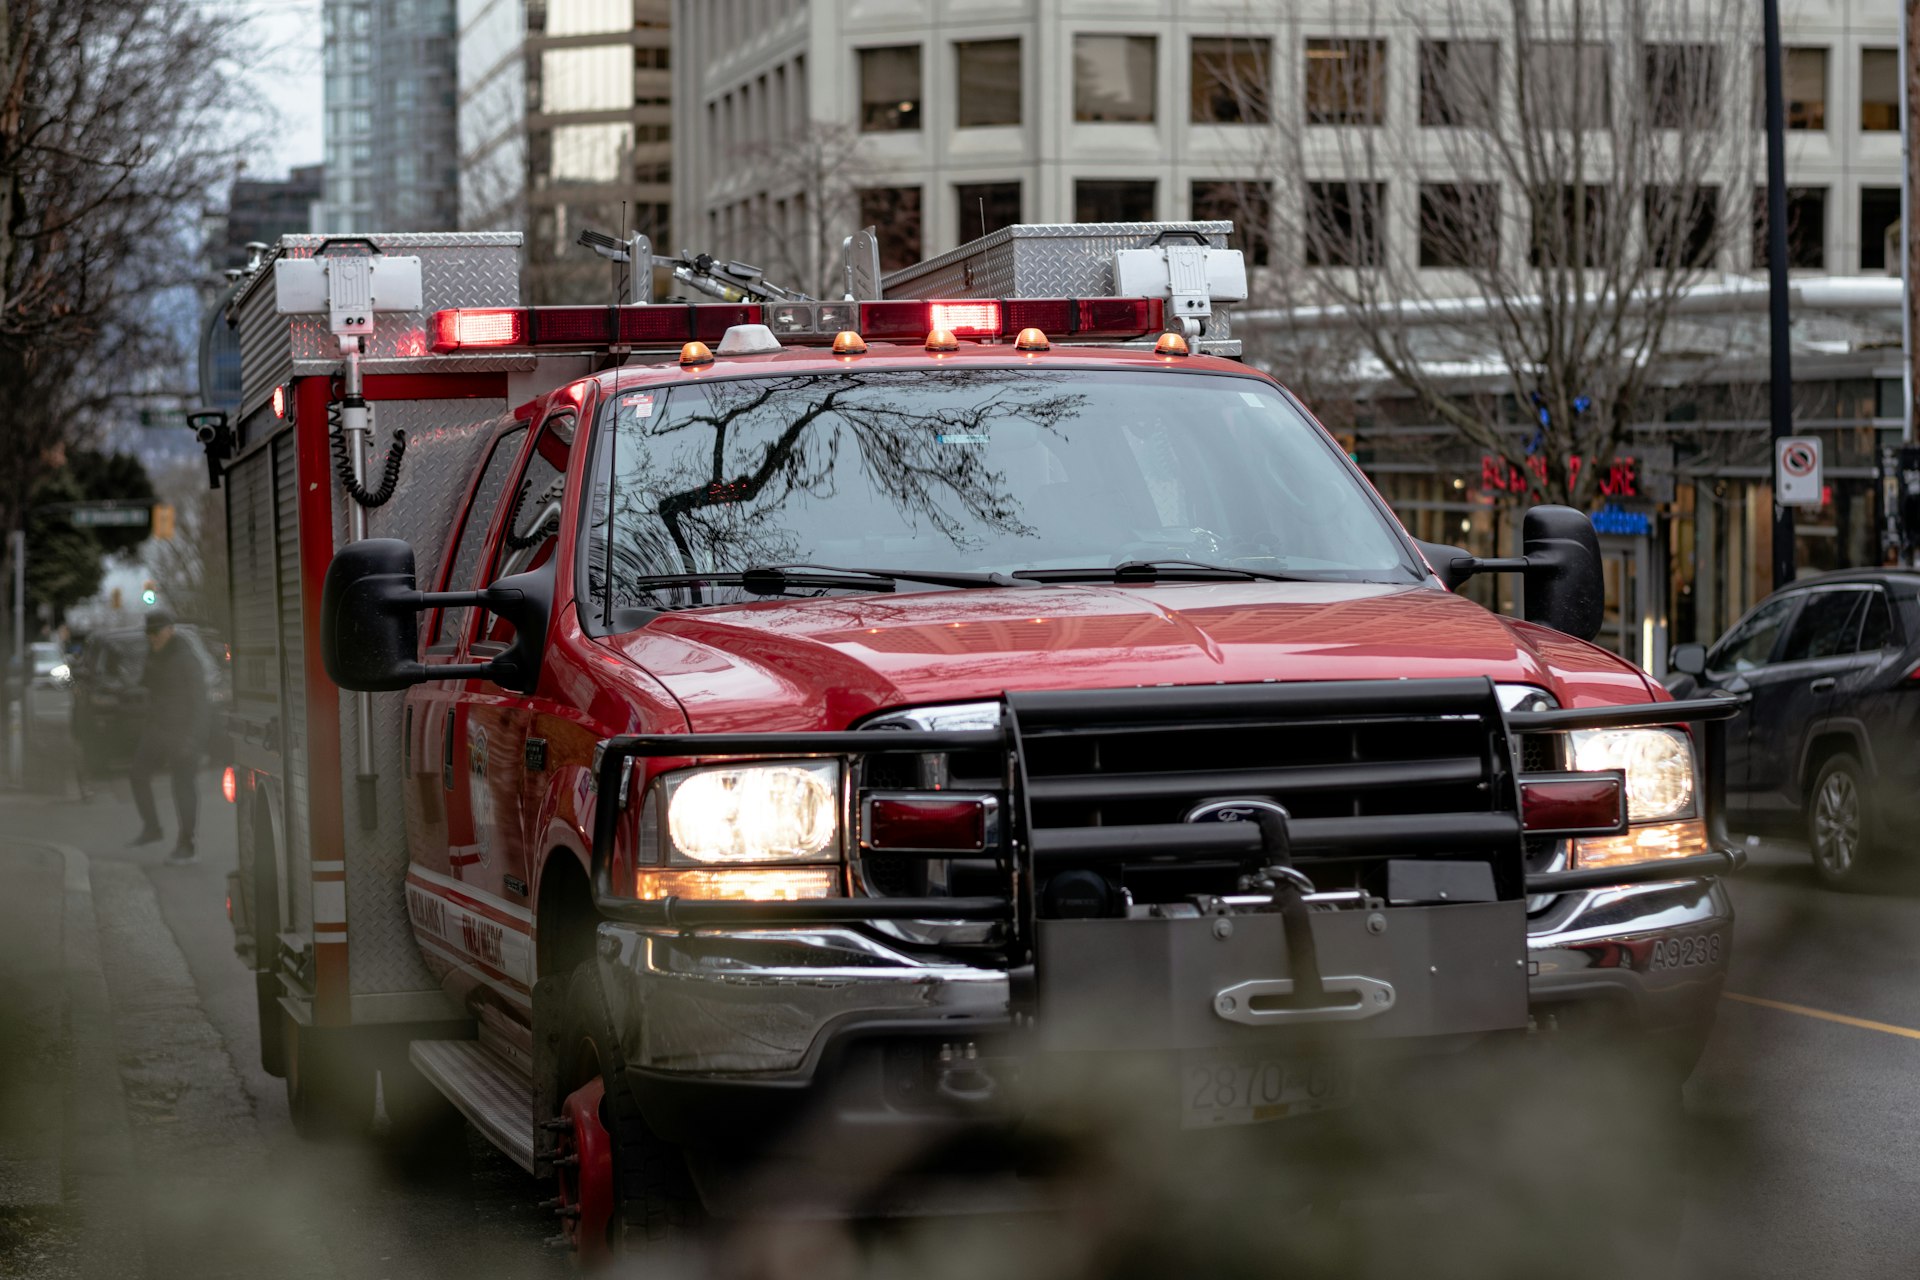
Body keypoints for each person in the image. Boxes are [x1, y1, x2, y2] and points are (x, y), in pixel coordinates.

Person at [128, 608, 209, 863]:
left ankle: (187, 843)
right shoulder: (154, 656)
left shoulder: (186, 658)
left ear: (170, 630)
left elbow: (200, 702)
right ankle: (152, 828)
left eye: (157, 633)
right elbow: (146, 687)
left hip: (184, 732)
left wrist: (193, 739)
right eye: (149, 634)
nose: (153, 638)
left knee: (182, 785)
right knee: (137, 773)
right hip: (159, 730)